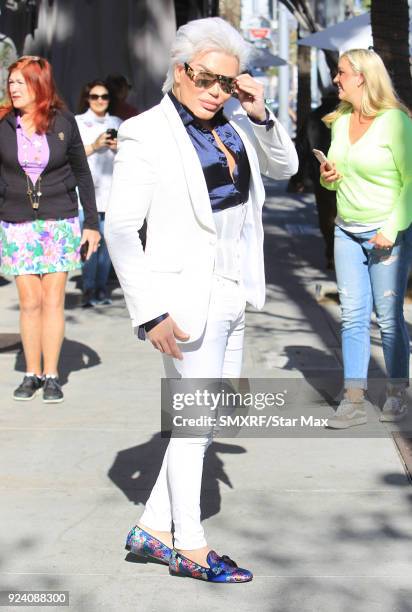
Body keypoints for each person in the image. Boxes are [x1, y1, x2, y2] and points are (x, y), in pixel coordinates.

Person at [105, 17, 298, 582]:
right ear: (181, 71)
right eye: (207, 79)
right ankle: (188, 545)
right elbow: (120, 230)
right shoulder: (147, 132)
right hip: (184, 302)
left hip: (234, 293)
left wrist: (259, 110)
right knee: (193, 427)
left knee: (205, 420)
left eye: (228, 82)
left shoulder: (238, 119)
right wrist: (149, 312)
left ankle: (151, 527)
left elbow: (284, 168)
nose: (216, 91)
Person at [320, 48, 412, 428]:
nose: (336, 79)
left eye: (341, 73)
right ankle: (354, 399)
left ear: (361, 76)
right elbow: (335, 173)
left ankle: (397, 393)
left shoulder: (395, 122)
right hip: (346, 229)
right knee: (352, 317)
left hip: (385, 233)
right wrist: (329, 176)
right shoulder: (340, 120)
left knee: (389, 318)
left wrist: (391, 230)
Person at [0, 56, 99, 403]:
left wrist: (92, 225)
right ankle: (32, 373)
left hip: (59, 220)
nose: (13, 88)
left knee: (53, 300)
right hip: (16, 222)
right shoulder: (2, 124)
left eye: (20, 82)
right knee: (29, 302)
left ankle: (53, 375)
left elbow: (83, 175)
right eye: (10, 82)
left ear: (38, 85)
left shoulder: (63, 123)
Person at [75, 80, 122, 306]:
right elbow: (69, 155)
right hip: (87, 194)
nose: (100, 101)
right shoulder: (77, 122)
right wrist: (94, 146)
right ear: (87, 98)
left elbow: (132, 155)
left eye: (104, 96)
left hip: (112, 193)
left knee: (107, 245)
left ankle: (101, 288)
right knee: (88, 243)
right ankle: (88, 286)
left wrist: (117, 147)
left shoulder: (117, 122)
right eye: (95, 97)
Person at [290, 88, 339, 269]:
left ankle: (331, 253)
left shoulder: (313, 117)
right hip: (346, 174)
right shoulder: (347, 117)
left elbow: (302, 149)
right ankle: (339, 253)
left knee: (326, 216)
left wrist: (298, 178)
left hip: (321, 174)